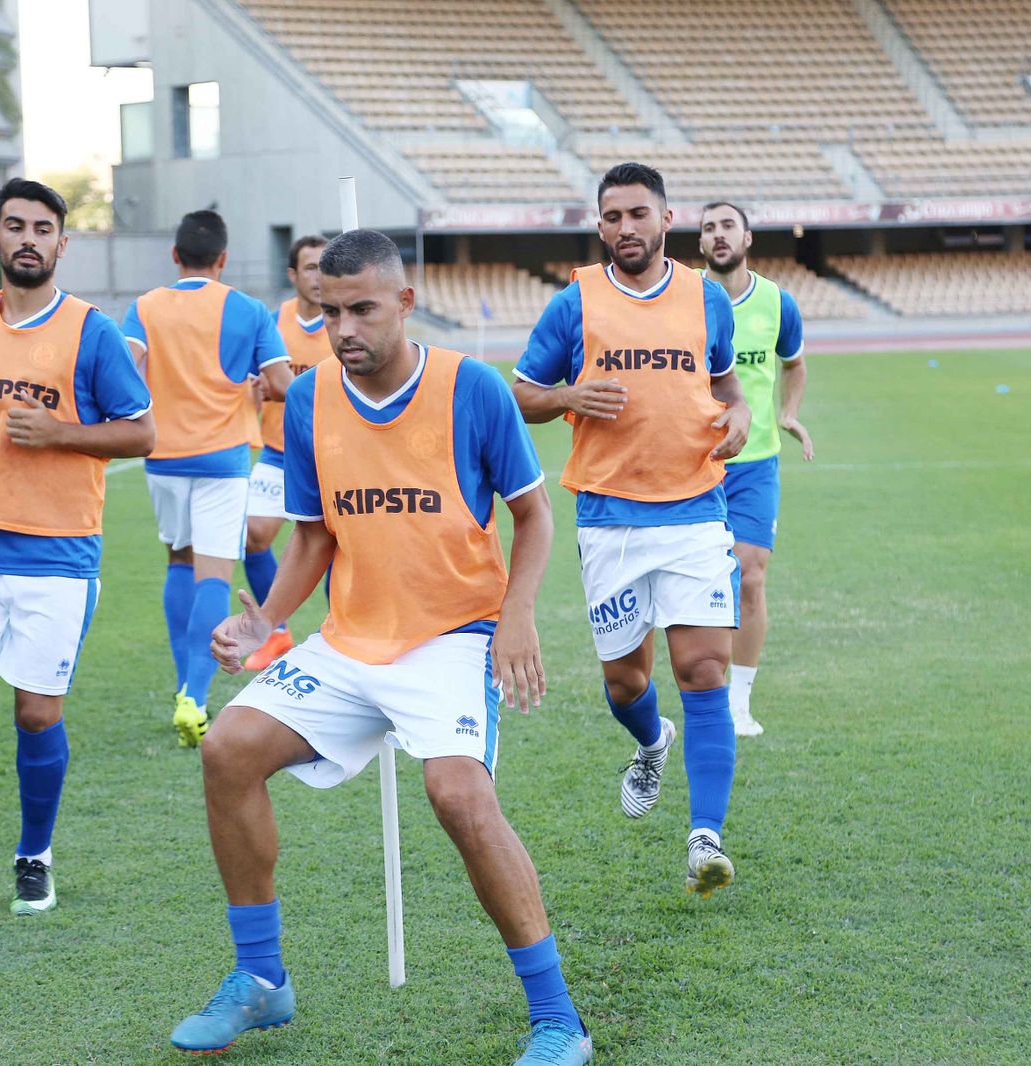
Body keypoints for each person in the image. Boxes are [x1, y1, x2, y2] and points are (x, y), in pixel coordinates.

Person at [170, 230, 591, 1065]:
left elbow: (534, 514)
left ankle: (558, 1020)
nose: (343, 330)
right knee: (227, 749)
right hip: (349, 640)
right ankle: (261, 978)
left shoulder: (471, 388)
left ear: (404, 301)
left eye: (362, 310)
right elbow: (312, 537)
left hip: (454, 635)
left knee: (459, 796)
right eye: (329, 312)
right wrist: (264, 622)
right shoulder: (309, 399)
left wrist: (517, 615)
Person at [0, 178, 155, 936]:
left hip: (56, 551)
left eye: (42, 229)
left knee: (36, 711)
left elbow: (141, 433)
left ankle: (34, 855)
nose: (28, 240)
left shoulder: (91, 332)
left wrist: (61, 433)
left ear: (61, 244)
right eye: (15, 226)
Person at [511, 163, 750, 899]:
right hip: (609, 518)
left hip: (696, 510)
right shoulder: (574, 302)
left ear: (666, 219)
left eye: (638, 214)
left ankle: (705, 839)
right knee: (626, 682)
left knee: (703, 671)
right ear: (600, 225)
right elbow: (522, 395)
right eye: (612, 217)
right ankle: (651, 741)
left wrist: (740, 415)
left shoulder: (707, 299)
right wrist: (568, 394)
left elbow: (725, 384)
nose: (625, 228)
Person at [122, 210, 293, 747]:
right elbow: (281, 383)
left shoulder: (144, 307)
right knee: (214, 573)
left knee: (178, 560)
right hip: (222, 458)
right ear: (223, 259)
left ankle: (184, 686)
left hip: (162, 456)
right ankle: (195, 698)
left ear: (175, 256)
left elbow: (124, 371)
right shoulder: (249, 309)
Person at [699, 202, 813, 737]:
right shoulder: (685, 299)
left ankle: (738, 702)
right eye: (708, 228)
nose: (718, 235)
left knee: (750, 574)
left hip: (756, 464)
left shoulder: (777, 303)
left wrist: (788, 413)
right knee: (699, 583)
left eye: (728, 226)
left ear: (747, 238)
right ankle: (703, 689)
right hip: (696, 463)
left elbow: (794, 363)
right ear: (700, 244)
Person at [241, 233, 331, 671]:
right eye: (311, 267)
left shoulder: (344, 323)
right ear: (293, 274)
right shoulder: (273, 323)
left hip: (334, 455)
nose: (319, 276)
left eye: (325, 267)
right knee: (252, 536)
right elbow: (252, 382)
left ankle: (343, 634)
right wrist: (257, 392)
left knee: (343, 546)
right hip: (281, 452)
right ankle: (276, 633)